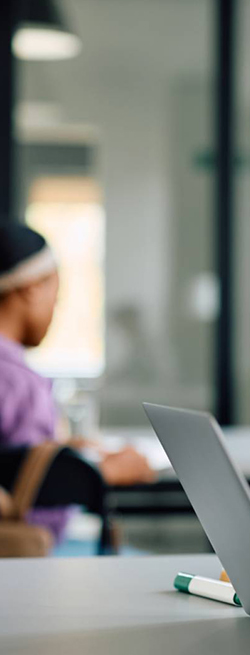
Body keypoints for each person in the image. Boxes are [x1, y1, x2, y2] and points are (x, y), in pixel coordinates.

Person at [0, 220, 155, 544]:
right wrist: (98, 473)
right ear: (31, 288)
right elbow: (32, 505)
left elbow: (13, 463)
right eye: (55, 294)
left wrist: (62, 457)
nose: (56, 308)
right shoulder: (19, 383)